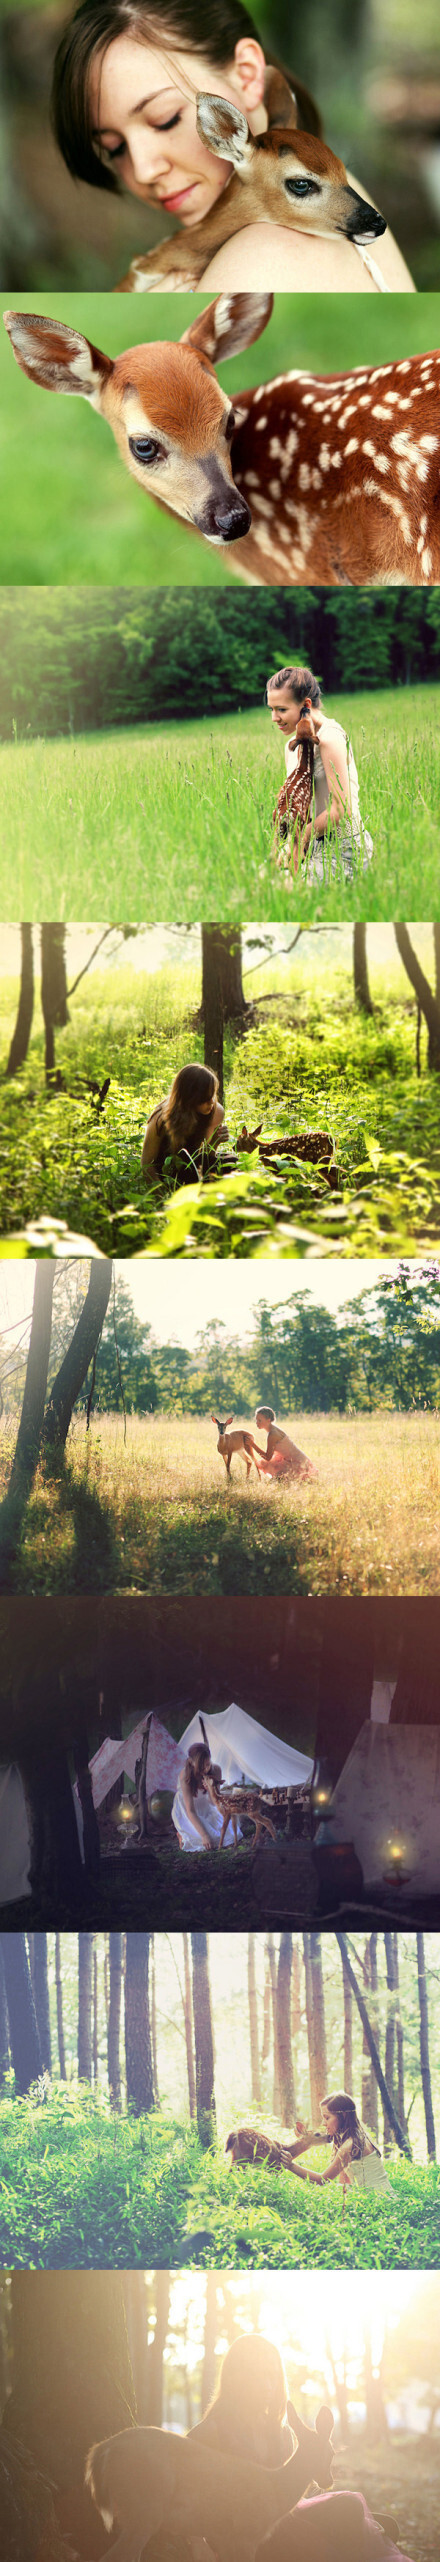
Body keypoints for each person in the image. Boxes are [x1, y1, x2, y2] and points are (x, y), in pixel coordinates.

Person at [51, 0, 414, 292]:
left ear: (248, 73)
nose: (144, 170)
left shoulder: (263, 256)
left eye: (166, 119)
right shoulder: (334, 186)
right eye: (114, 148)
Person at [267, 665, 374, 887]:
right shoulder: (292, 745)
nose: (274, 718)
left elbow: (340, 808)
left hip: (344, 847)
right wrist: (287, 844)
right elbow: (300, 805)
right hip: (311, 843)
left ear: (306, 705)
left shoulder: (330, 737)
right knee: (262, 883)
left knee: (284, 889)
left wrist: (301, 838)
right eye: (271, 709)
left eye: (281, 709)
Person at [286, 2090, 391, 2199]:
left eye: (327, 2118)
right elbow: (345, 2182)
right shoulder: (359, 2136)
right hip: (382, 2196)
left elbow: (322, 2180)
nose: (323, 2123)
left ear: (343, 2116)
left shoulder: (349, 2145)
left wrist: (290, 2165)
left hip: (378, 2200)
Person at [142, 1062, 225, 1182]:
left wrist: (215, 1143)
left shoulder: (216, 1112)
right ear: (190, 1097)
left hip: (195, 1167)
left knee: (230, 1166)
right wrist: (161, 1194)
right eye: (205, 1098)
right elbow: (146, 1164)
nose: (212, 1102)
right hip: (168, 1173)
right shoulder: (161, 1118)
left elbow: (205, 1159)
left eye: (213, 1095)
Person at [171, 1742, 237, 1851]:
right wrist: (204, 1835)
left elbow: (213, 1803)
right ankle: (183, 1834)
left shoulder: (216, 1770)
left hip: (206, 1805)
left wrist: (211, 1790)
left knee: (226, 1836)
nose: (205, 1769)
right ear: (191, 1762)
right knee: (206, 1840)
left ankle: (190, 1833)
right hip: (188, 1809)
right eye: (201, 1766)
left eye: (207, 1764)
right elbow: (190, 1811)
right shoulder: (185, 1776)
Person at [254, 1407, 317, 1484]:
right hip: (289, 1459)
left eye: (259, 1420)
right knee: (271, 1475)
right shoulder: (273, 1429)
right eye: (256, 1420)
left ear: (268, 1420)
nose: (257, 1422)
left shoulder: (272, 1434)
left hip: (297, 1463)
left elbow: (267, 1457)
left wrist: (252, 1444)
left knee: (276, 1482)